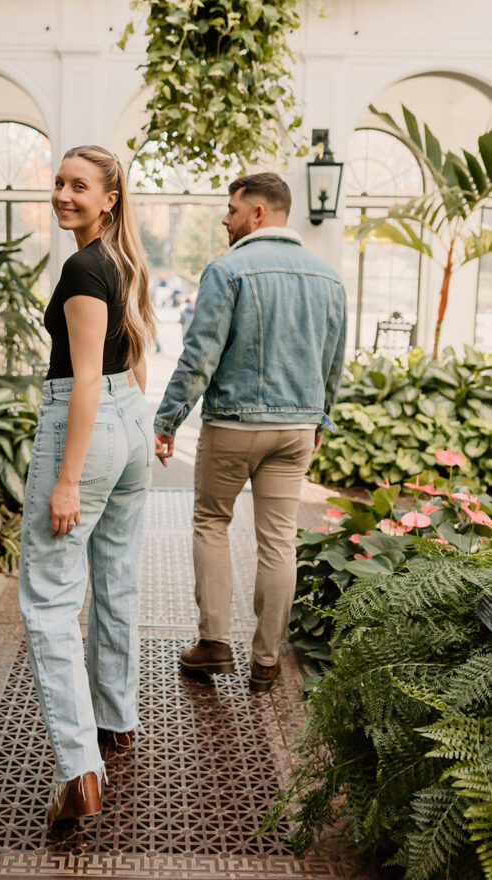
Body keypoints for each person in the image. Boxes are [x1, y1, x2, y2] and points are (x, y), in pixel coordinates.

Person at [154, 172, 346, 693]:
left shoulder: (228, 269)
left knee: (212, 523)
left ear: (258, 212)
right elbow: (334, 362)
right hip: (296, 429)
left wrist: (168, 419)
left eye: (232, 209)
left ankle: (214, 644)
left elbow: (200, 355)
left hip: (235, 426)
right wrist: (318, 419)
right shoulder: (329, 278)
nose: (225, 218)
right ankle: (266, 661)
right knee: (278, 541)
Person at [19, 145, 156, 826]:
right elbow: (125, 361)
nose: (64, 195)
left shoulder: (82, 267)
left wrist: (68, 480)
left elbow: (79, 384)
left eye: (81, 186)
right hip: (128, 422)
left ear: (109, 199)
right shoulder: (123, 258)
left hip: (91, 428)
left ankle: (79, 771)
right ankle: (116, 720)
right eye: (59, 183)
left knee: (48, 601)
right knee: (116, 581)